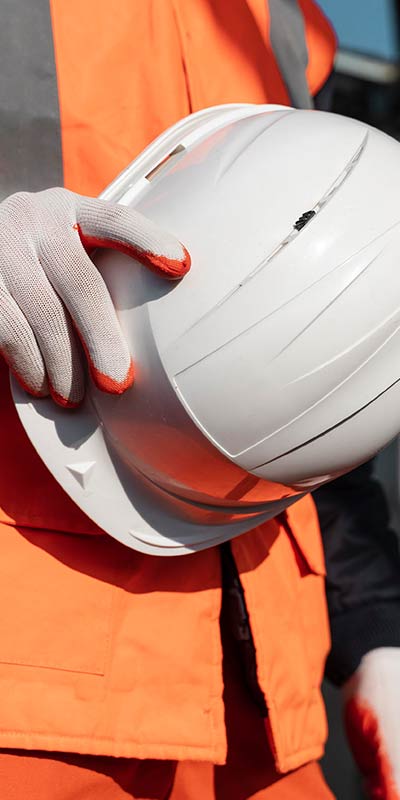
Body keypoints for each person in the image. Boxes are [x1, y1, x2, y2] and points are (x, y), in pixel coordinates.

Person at [0, 3, 399, 799]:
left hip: (263, 702)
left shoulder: (283, 18)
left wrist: (374, 630)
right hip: (34, 681)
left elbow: (303, 366)